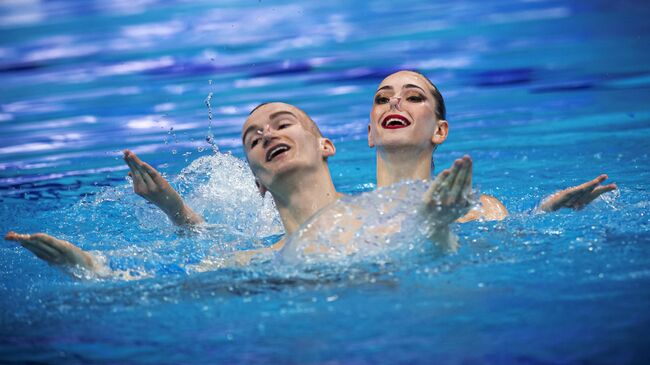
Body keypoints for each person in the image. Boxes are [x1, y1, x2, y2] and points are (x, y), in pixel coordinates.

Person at [6, 102, 470, 276]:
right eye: (253, 138)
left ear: (325, 145)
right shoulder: (257, 258)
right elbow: (155, 286)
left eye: (282, 125)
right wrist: (89, 267)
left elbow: (438, 259)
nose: (267, 135)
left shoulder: (389, 210)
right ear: (257, 182)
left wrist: (436, 226)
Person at [367, 70, 616, 218]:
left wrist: (546, 213)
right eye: (382, 98)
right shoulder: (341, 213)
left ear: (440, 131)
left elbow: (515, 251)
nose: (395, 101)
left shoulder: (482, 210)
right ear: (370, 133)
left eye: (413, 97)